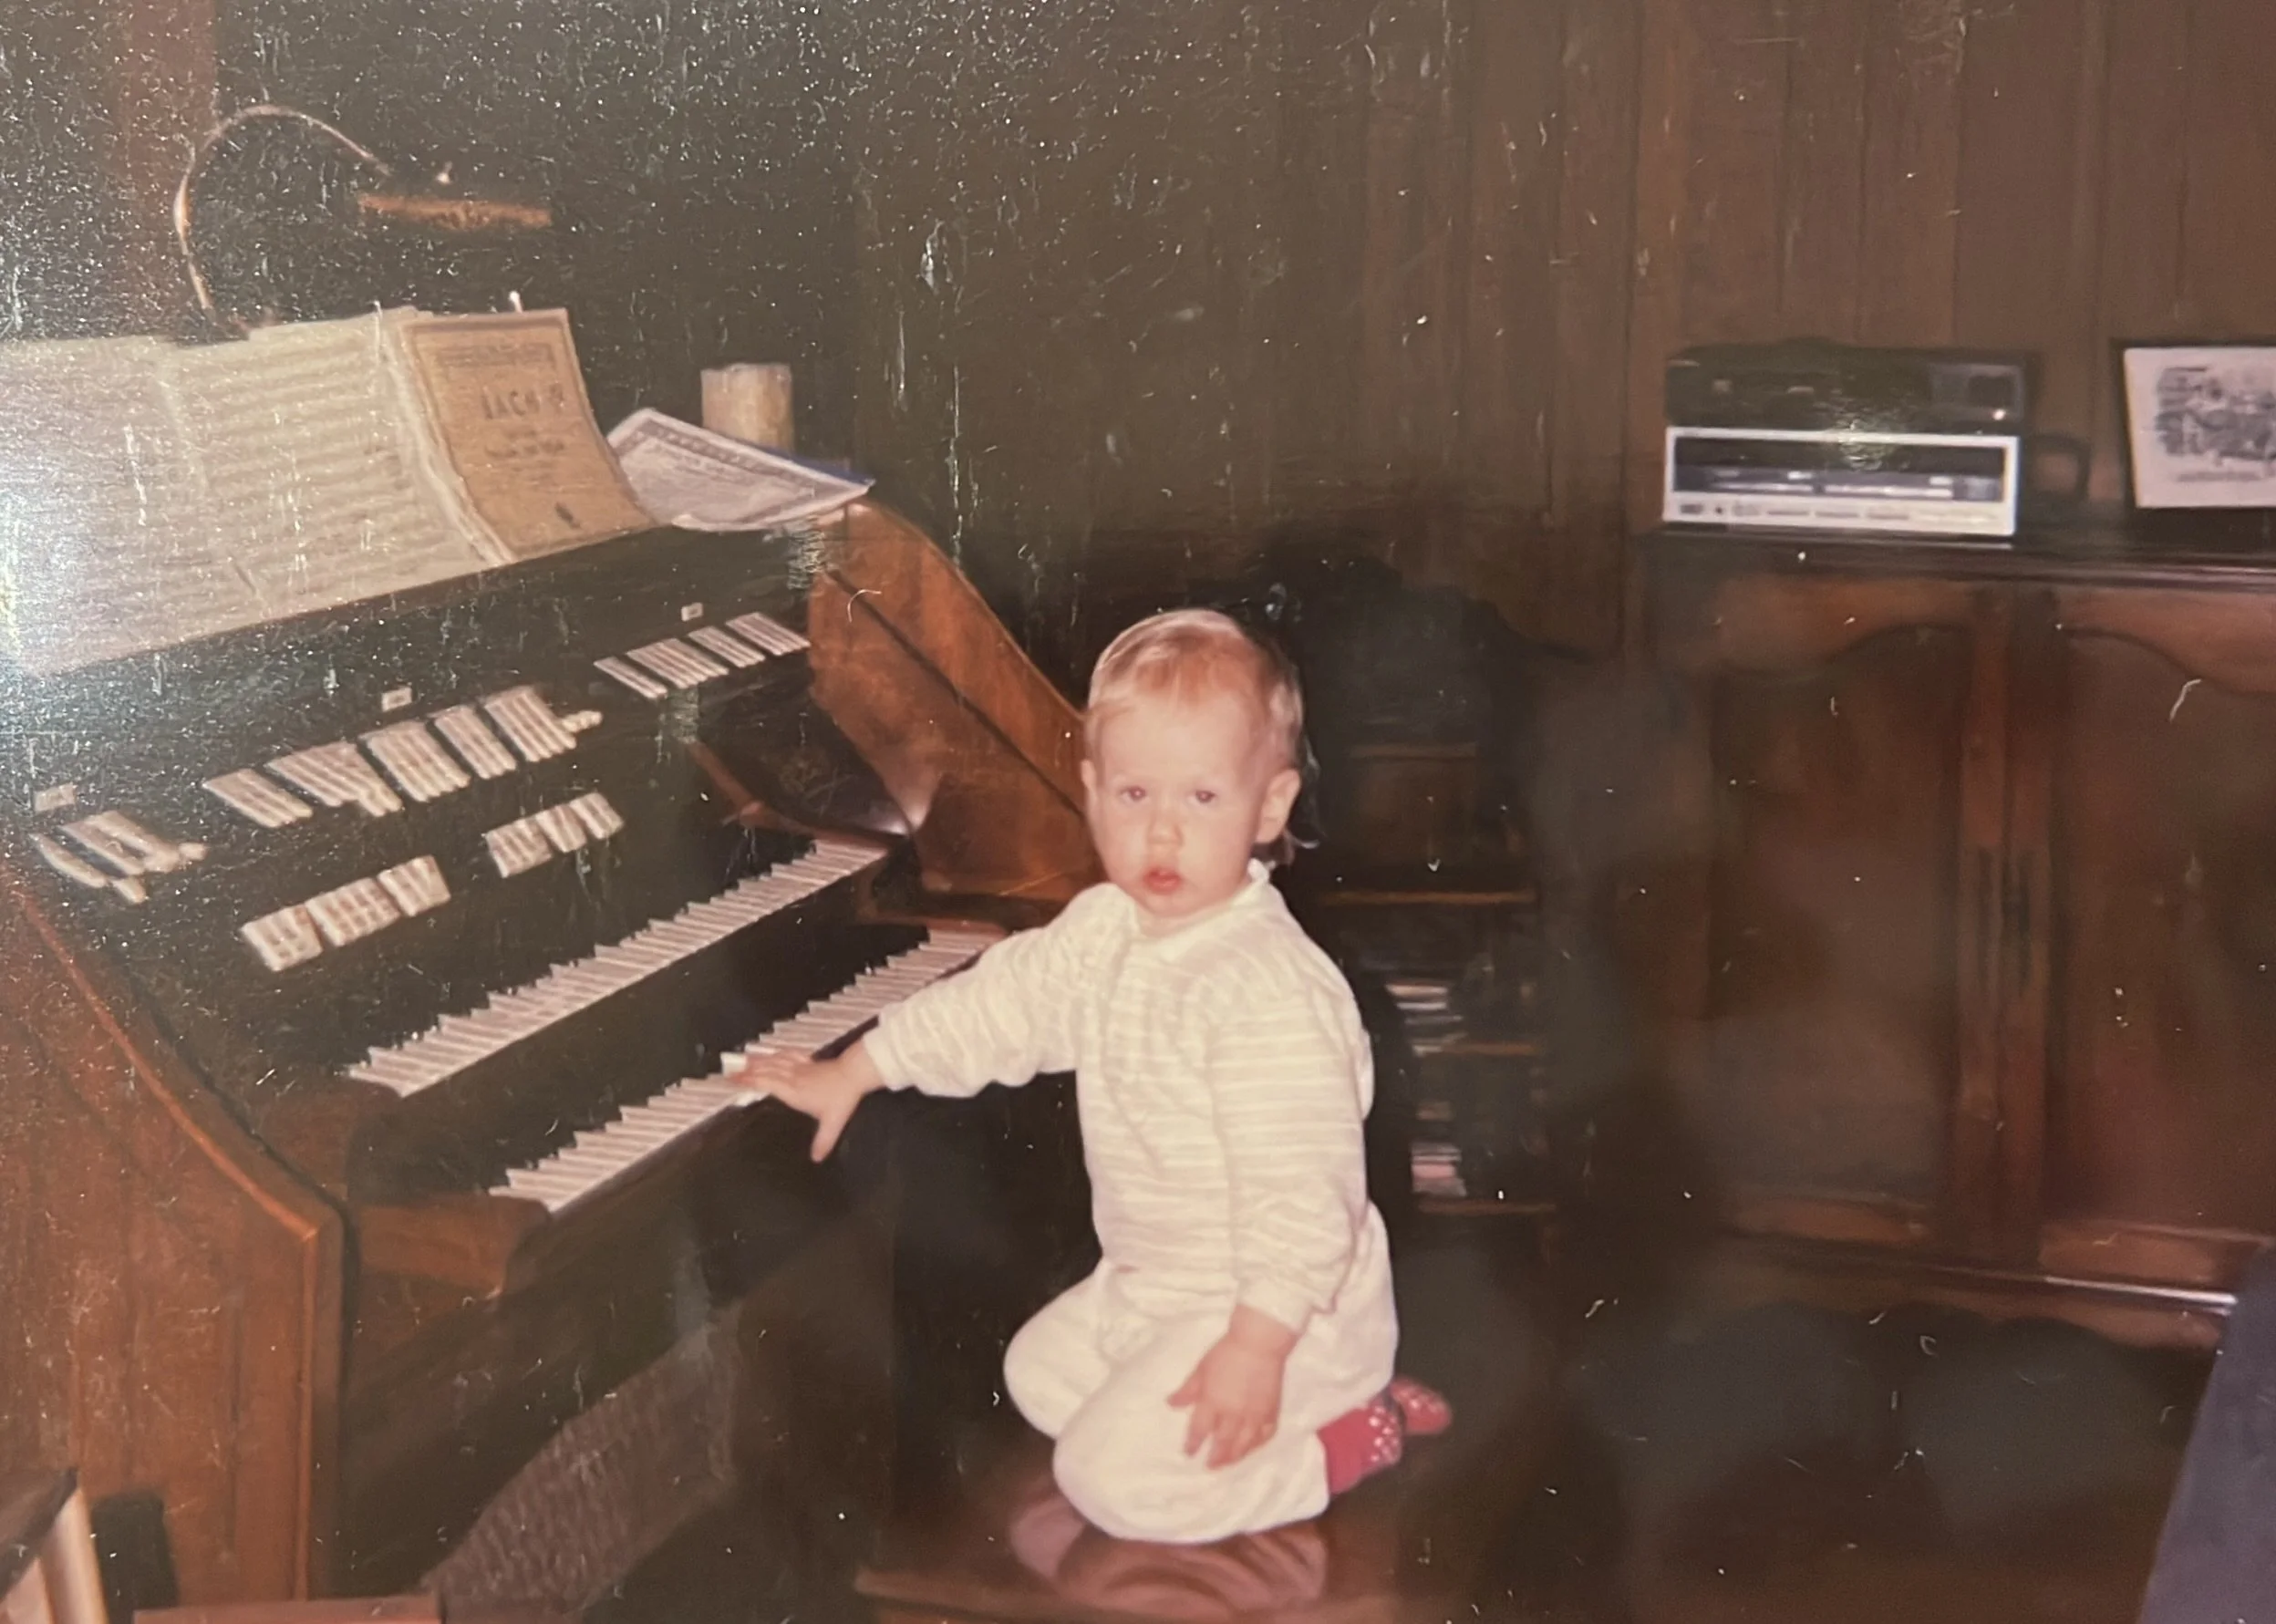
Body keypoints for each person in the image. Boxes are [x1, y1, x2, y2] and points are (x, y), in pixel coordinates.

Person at [742, 608, 1447, 1544]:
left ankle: (1347, 1436)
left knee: (1102, 1477)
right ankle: (1287, 1413)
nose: (1161, 832)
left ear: (1269, 809)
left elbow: (1305, 1198)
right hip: (1157, 1285)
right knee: (1038, 1373)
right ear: (1090, 790)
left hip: (1285, 1306)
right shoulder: (1106, 930)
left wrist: (1257, 1345)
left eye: (1202, 799)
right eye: (1133, 793)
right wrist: (861, 1067)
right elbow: (1000, 1007)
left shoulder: (1269, 991)